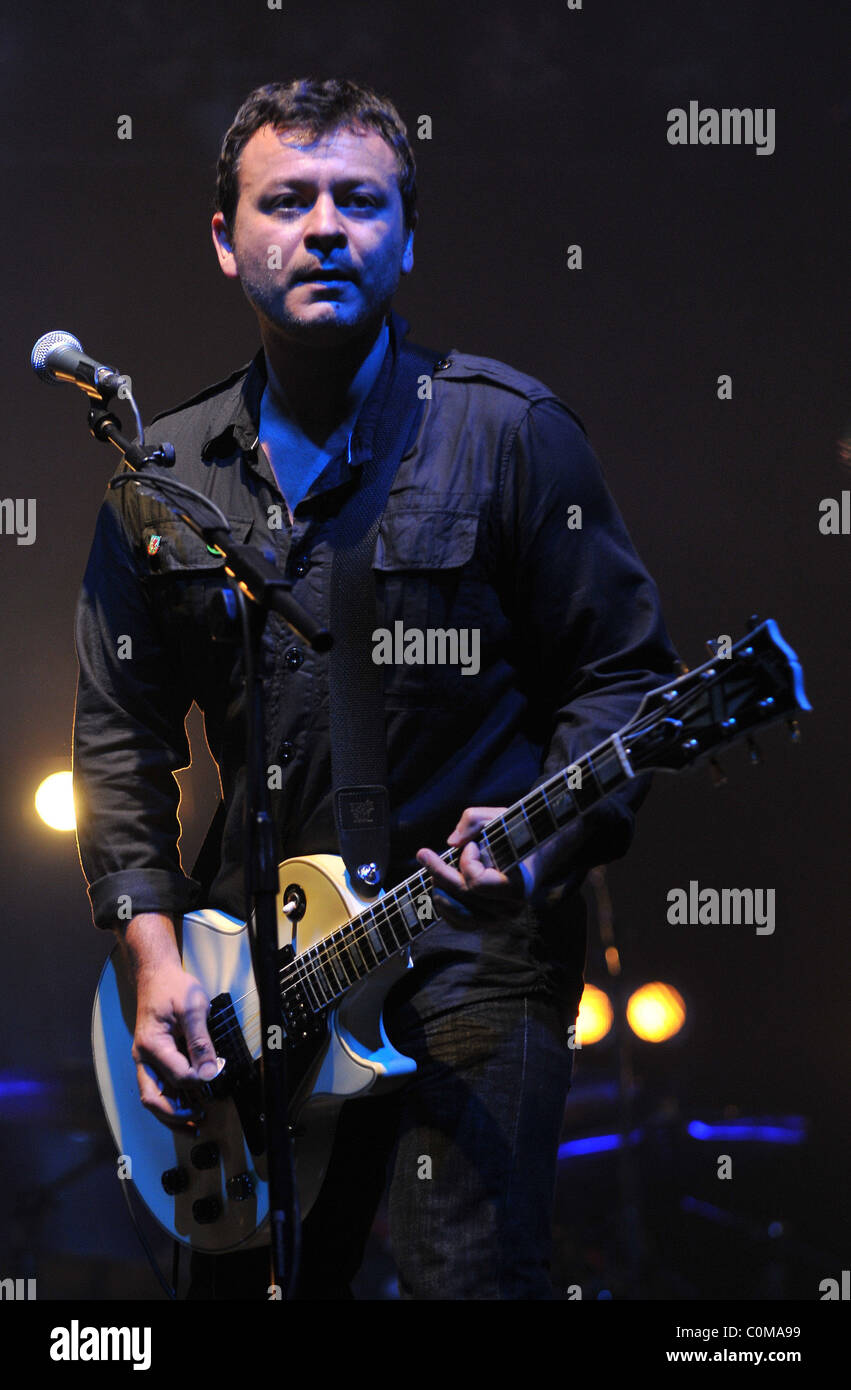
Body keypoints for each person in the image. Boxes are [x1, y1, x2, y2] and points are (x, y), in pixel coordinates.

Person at [73, 77, 678, 1300]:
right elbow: (117, 741)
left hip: (472, 951)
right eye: (286, 200)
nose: (325, 226)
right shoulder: (159, 481)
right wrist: (155, 959)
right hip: (254, 978)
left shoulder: (511, 435)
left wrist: (540, 851)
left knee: (466, 1274)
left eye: (360, 199)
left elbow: (625, 681)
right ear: (225, 240)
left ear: (408, 231)